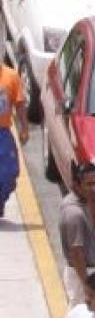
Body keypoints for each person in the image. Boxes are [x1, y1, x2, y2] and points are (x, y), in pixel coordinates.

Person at [58, 161, 95, 305]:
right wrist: (87, 285)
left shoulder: (84, 201)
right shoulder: (74, 213)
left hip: (90, 271)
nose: (94, 188)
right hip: (81, 275)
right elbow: (76, 252)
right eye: (89, 184)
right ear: (76, 185)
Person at [0, 57, 27, 216]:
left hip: (3, 134)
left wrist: (24, 128)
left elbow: (20, 103)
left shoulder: (11, 76)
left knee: (10, 173)